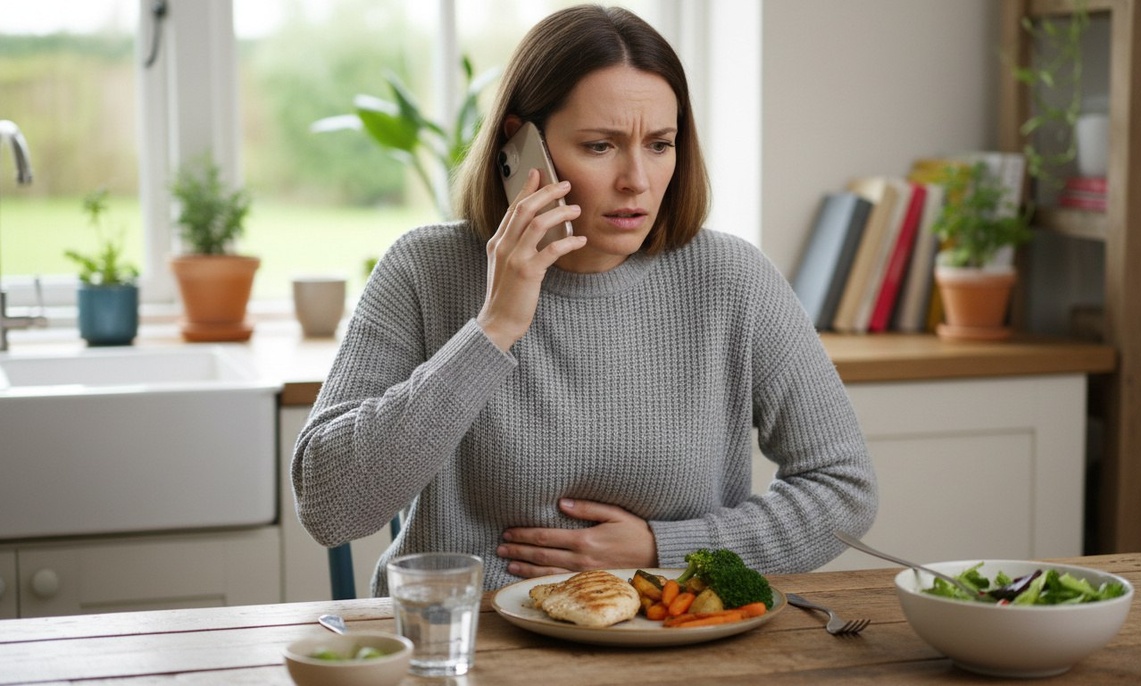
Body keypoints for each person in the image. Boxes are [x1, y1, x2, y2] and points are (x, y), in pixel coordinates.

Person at [292, 4, 877, 595]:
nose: (637, 180)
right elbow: (329, 507)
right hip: (467, 641)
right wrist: (493, 328)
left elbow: (843, 490)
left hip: (666, 640)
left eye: (660, 144)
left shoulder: (732, 278)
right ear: (519, 146)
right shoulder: (426, 268)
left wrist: (662, 548)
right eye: (601, 146)